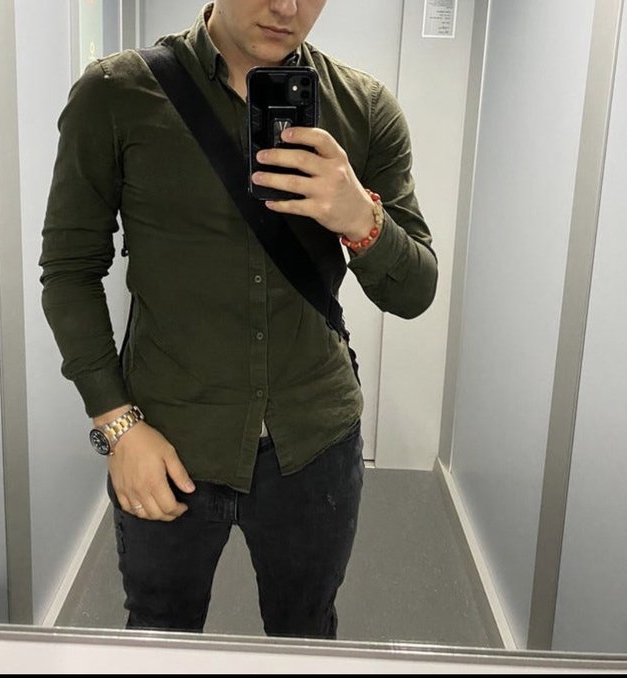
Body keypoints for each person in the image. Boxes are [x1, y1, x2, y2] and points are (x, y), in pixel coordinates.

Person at [39, 0, 437, 638]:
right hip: (166, 440)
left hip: (314, 440)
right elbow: (69, 270)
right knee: (160, 633)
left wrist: (360, 219)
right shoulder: (115, 94)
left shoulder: (364, 109)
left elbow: (415, 291)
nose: (287, 7)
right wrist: (116, 426)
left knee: (306, 632)